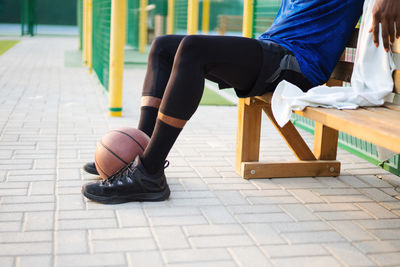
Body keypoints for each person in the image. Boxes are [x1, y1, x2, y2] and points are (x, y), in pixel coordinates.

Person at [81, 0, 400, 204]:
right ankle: (143, 148)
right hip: (272, 49)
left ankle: (149, 174)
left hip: (297, 64)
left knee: (194, 48)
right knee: (164, 46)